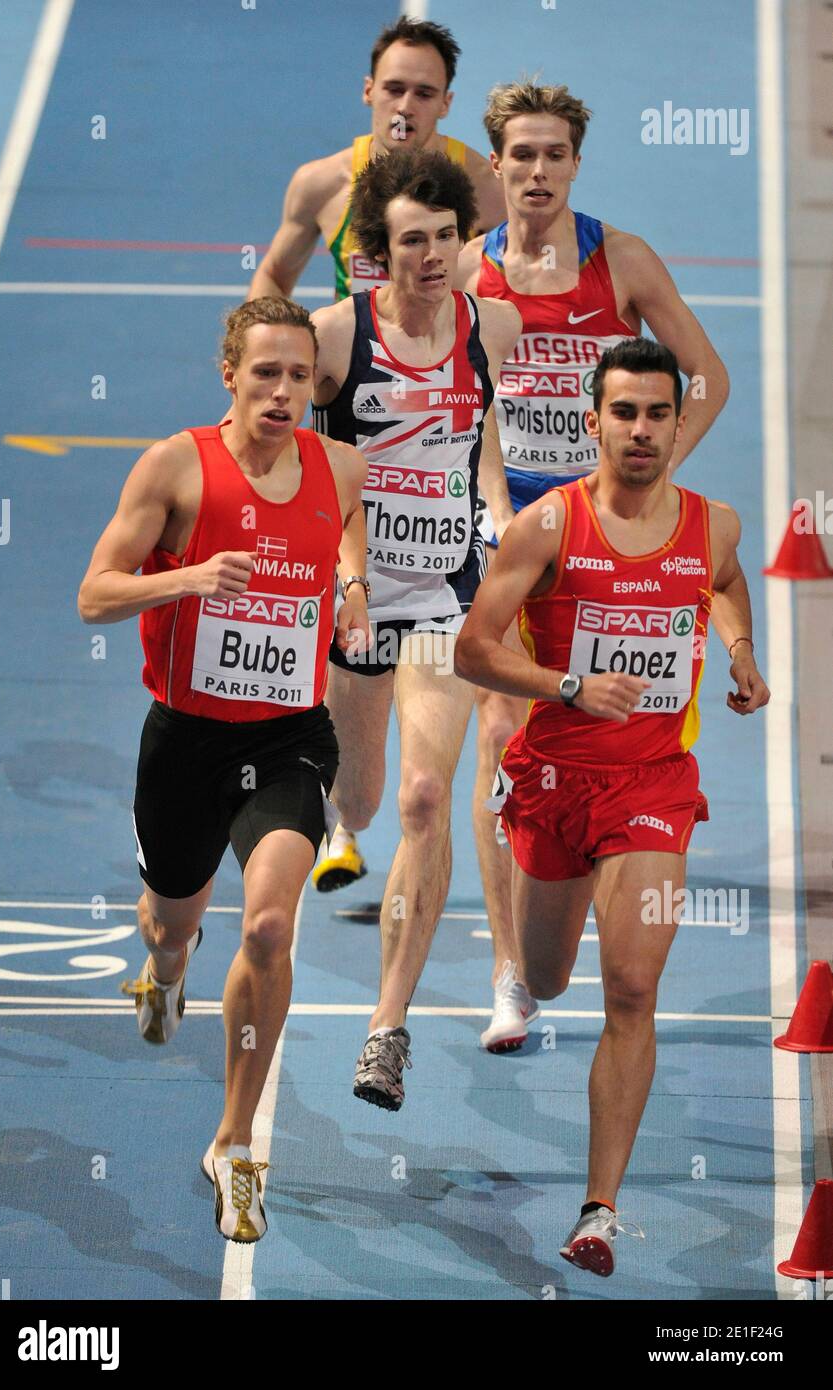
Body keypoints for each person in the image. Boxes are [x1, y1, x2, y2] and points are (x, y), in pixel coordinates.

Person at [454, 337, 769, 1275]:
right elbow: (472, 650)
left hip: (651, 787)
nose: (640, 431)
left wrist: (741, 650)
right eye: (623, 413)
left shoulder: (713, 526)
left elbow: (718, 583)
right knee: (549, 980)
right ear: (592, 421)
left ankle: (597, 1210)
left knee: (632, 986)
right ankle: (521, 971)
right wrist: (564, 686)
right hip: (552, 781)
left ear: (679, 424)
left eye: (657, 414)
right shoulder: (546, 528)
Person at [77, 297, 370, 1242]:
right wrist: (187, 578)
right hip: (187, 740)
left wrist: (354, 589)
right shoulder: (176, 466)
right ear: (230, 375)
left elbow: (343, 532)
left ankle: (236, 1144)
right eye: (266, 373)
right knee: (174, 920)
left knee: (275, 922)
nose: (283, 392)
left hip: (287, 736)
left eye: (299, 376)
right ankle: (165, 968)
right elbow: (94, 595)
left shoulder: (342, 468)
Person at [455, 82, 731, 1053]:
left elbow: (707, 378)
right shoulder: (466, 270)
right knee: (499, 725)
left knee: (602, 720)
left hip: (604, 532)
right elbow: (462, 401)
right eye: (520, 156)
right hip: (516, 526)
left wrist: (645, 491)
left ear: (576, 163)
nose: (536, 172)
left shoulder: (620, 259)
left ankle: (582, 890)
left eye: (553, 156)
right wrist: (491, 508)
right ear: (495, 164)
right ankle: (508, 972)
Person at [310, 147, 521, 1109]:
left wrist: (496, 509)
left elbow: (478, 441)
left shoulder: (496, 329)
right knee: (358, 803)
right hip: (358, 602)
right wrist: (335, 572)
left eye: (444, 237)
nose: (430, 256)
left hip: (444, 601)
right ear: (376, 250)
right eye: (410, 241)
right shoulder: (333, 338)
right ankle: (329, 824)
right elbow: (292, 461)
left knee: (427, 799)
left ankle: (384, 1028)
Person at [250, 16, 505, 311]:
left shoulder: (486, 188)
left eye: (424, 94)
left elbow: (523, 289)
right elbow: (274, 278)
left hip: (446, 354)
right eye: (394, 89)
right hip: (353, 354)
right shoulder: (322, 184)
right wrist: (258, 345)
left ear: (445, 103)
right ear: (369, 90)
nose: (405, 107)